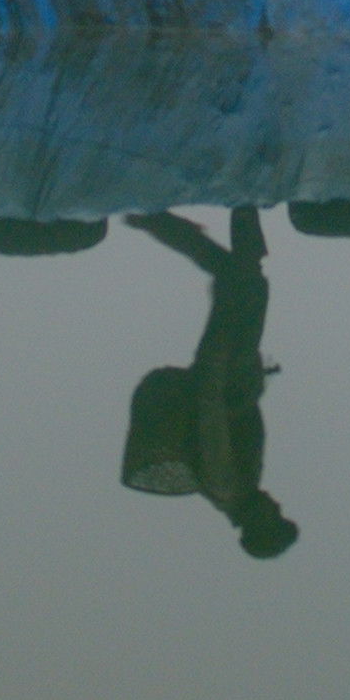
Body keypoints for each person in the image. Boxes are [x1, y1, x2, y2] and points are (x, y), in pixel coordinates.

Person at [119, 207, 300, 559]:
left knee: (246, 281)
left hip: (224, 367)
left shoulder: (226, 486)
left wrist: (218, 356)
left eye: (275, 516)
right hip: (233, 369)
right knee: (242, 279)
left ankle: (239, 202)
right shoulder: (239, 488)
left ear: (258, 525)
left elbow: (210, 413)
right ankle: (169, 221)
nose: (276, 506)